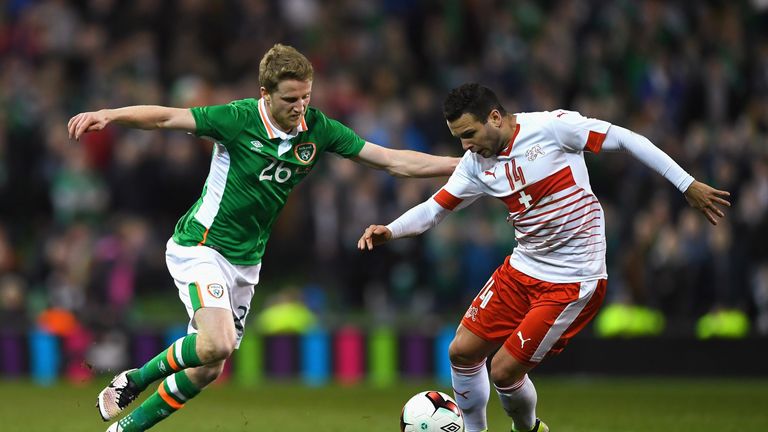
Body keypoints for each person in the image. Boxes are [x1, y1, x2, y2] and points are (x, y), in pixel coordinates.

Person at [67, 43, 459, 432]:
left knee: (208, 368)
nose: (299, 107)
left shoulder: (318, 129)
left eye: (306, 96)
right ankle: (133, 380)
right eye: (290, 99)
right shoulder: (237, 119)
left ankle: (123, 430)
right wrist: (110, 115)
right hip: (202, 245)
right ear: (265, 95)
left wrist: (462, 164)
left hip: (245, 263)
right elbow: (167, 119)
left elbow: (392, 161)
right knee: (216, 343)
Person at [358, 83, 731, 432]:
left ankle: (531, 429)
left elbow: (627, 139)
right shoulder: (476, 164)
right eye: (459, 139)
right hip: (524, 266)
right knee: (462, 351)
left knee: (503, 371)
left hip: (573, 278)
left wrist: (687, 184)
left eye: (469, 135)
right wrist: (390, 230)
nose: (466, 146)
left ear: (495, 117)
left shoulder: (553, 128)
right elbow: (432, 210)